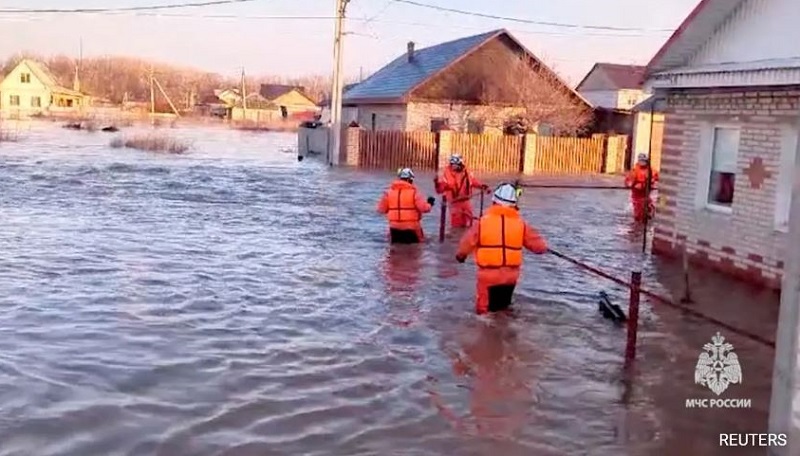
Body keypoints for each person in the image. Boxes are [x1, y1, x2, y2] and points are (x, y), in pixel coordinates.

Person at [455, 183, 548, 314]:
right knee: (504, 310)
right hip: (511, 277)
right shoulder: (521, 224)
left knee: (484, 313)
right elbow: (540, 247)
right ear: (514, 204)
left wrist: (461, 256)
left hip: (488, 277)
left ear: (494, 201)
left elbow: (466, 244)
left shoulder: (482, 223)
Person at [377, 167, 436, 244]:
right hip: (412, 228)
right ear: (409, 180)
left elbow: (381, 209)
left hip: (394, 229)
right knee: (417, 250)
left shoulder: (388, 193)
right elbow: (424, 208)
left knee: (395, 252)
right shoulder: (415, 193)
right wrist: (430, 203)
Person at [434, 153, 489, 228]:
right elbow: (440, 189)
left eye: (455, 164)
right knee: (456, 225)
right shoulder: (446, 174)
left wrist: (482, 186)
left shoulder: (466, 172)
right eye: (452, 164)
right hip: (455, 203)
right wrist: (437, 184)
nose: (453, 166)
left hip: (466, 201)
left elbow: (472, 181)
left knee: (470, 223)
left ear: (460, 164)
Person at [624, 153, 660, 223]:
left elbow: (658, 178)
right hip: (637, 195)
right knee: (638, 213)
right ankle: (638, 224)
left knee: (648, 208)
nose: (643, 163)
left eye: (644, 161)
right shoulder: (635, 171)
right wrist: (632, 185)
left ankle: (648, 215)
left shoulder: (651, 170)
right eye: (641, 161)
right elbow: (628, 181)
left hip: (646, 194)